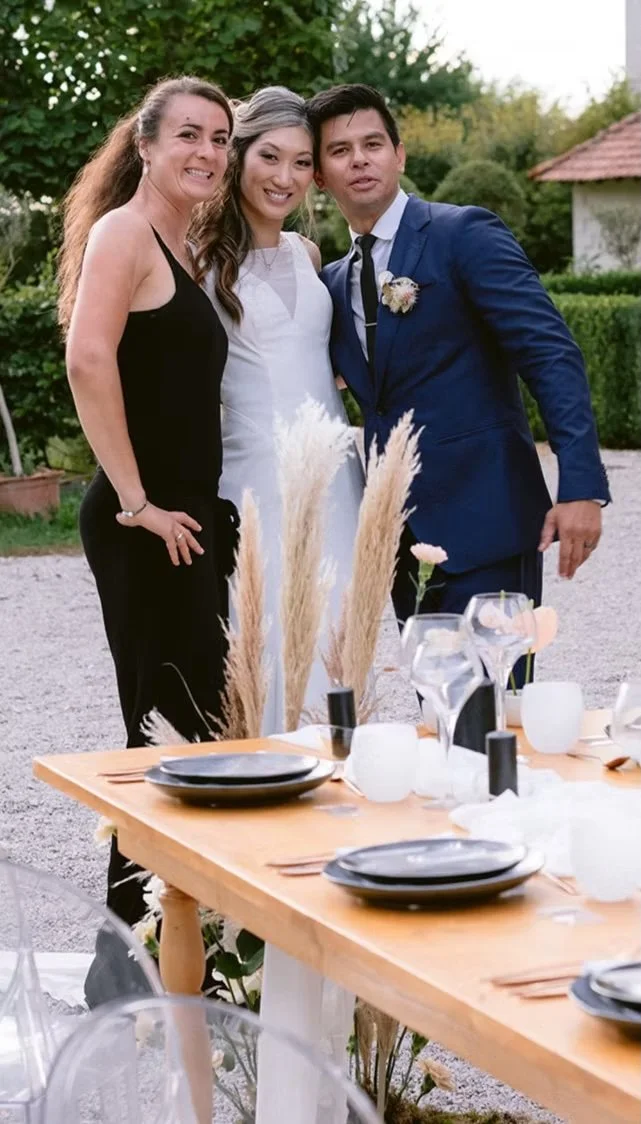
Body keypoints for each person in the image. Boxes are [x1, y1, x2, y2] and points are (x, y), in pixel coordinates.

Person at [306, 83, 610, 661]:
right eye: (340, 150)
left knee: (500, 716)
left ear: (400, 154)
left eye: (373, 143)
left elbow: (550, 353)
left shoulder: (462, 233)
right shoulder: (331, 281)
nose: (360, 159)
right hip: (396, 539)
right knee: (439, 713)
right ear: (319, 174)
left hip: (487, 521)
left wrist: (582, 487)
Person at [58, 76, 239, 930]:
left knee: (191, 727)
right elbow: (88, 360)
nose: (207, 152)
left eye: (219, 139)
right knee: (165, 732)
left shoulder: (176, 242)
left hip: (183, 520)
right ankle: (133, 951)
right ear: (146, 146)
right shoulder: (124, 233)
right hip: (147, 525)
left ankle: (173, 936)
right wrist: (136, 502)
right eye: (189, 136)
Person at [194, 86, 364, 734]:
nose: (285, 176)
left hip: (336, 479)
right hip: (255, 477)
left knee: (343, 630)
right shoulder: (198, 260)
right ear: (238, 155)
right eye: (270, 156)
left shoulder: (308, 253)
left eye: (300, 162)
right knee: (270, 636)